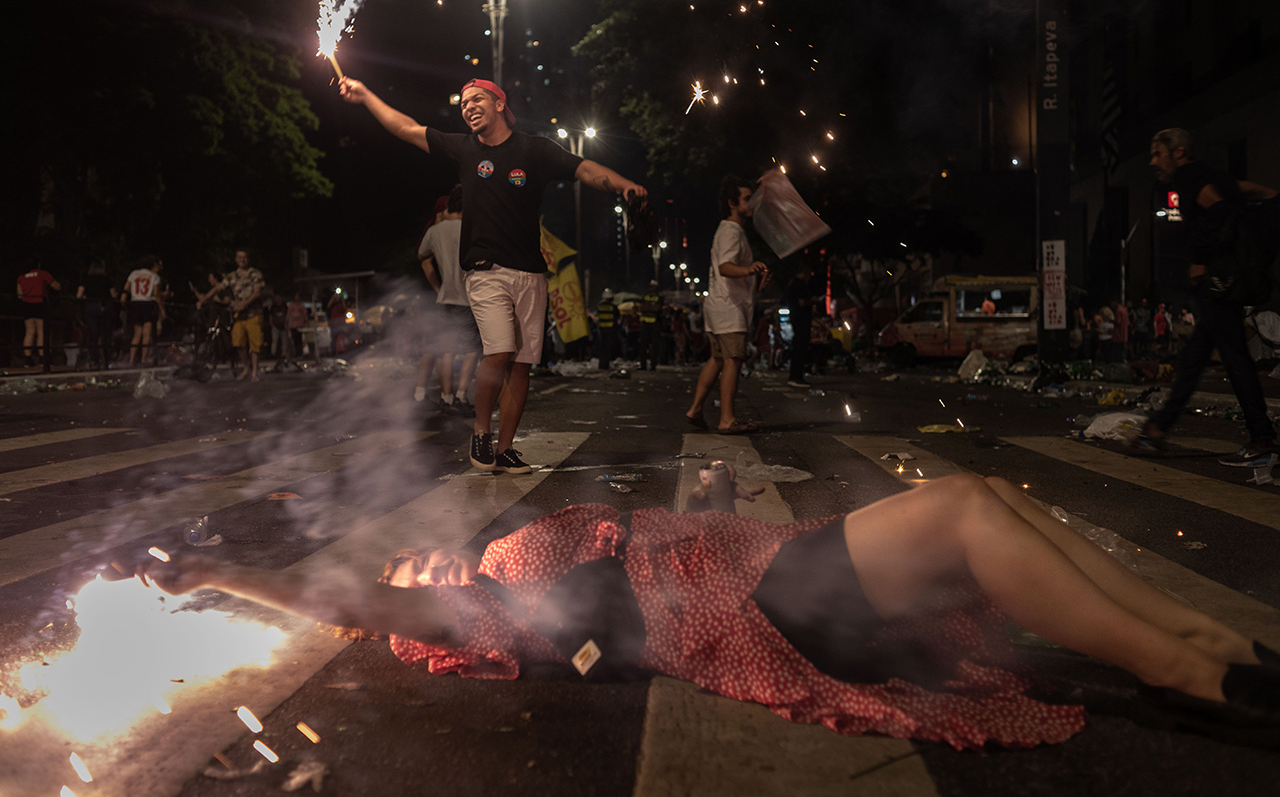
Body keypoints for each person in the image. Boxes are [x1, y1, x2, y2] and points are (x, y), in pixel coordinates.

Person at [136, 472, 1280, 750]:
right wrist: (221, 577)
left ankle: (1208, 641)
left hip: (777, 568)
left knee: (991, 499)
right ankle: (1185, 669)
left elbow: (657, 543)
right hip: (778, 606)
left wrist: (704, 506)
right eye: (408, 573)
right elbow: (341, 594)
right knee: (969, 510)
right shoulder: (481, 602)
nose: (415, 554)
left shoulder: (526, 555)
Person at [340, 76, 647, 474]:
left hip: (531, 273)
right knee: (499, 352)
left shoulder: (535, 150)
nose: (468, 106)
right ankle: (481, 431)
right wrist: (366, 95)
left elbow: (584, 168)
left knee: (521, 365)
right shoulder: (464, 149)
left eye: (477, 99)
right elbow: (407, 129)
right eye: (464, 102)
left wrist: (625, 187)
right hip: (485, 272)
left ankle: (505, 449)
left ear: (500, 103)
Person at [1137, 128, 1279, 466]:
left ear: (1180, 151)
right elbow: (1256, 191)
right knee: (1197, 358)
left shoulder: (1187, 176)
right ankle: (1157, 429)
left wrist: (1200, 259)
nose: (1153, 162)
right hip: (1223, 282)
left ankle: (1262, 439)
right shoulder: (1211, 175)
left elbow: (1217, 209)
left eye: (1158, 153)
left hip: (1216, 282)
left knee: (1233, 357)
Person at [685, 175, 770, 433]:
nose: (752, 203)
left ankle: (696, 409)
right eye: (747, 198)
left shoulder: (729, 230)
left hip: (720, 305)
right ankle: (727, 419)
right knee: (733, 359)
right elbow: (725, 267)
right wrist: (748, 270)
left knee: (718, 359)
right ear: (733, 203)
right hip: (728, 307)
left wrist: (754, 276)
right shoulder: (732, 231)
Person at [417, 185, 479, 415]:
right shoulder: (471, 229)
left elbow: (422, 256)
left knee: (446, 350)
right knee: (473, 350)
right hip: (468, 298)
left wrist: (437, 286)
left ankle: (446, 397)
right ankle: (461, 395)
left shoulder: (435, 231)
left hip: (445, 299)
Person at [202, 250, 265, 382]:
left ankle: (254, 372)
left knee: (255, 344)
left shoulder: (255, 274)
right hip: (239, 316)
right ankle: (246, 367)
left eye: (245, 257)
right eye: (240, 257)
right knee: (238, 342)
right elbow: (218, 287)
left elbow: (257, 292)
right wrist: (202, 300)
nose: (242, 260)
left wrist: (244, 304)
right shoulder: (232, 276)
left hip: (253, 314)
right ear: (236, 259)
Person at [16, 255, 61, 368]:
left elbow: (19, 294)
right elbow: (56, 286)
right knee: (41, 331)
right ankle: (43, 358)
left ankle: (27, 359)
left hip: (27, 305)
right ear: (38, 264)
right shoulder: (42, 274)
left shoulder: (21, 277)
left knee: (30, 331)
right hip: (40, 303)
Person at [76, 259, 115, 370]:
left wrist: (85, 298)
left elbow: (79, 295)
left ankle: (94, 360)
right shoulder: (106, 279)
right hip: (105, 306)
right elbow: (113, 294)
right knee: (106, 335)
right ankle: (107, 360)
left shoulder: (86, 279)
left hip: (91, 306)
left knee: (93, 335)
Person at [122, 255, 162, 367]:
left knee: (136, 333)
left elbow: (127, 288)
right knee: (146, 333)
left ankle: (131, 359)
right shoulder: (154, 276)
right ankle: (143, 359)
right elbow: (155, 294)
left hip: (135, 303)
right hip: (147, 303)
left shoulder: (134, 274)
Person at [786, 262, 816, 387]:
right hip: (801, 319)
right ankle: (796, 376)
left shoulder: (792, 284)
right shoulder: (799, 285)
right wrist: (812, 301)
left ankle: (795, 376)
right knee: (800, 347)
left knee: (798, 346)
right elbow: (802, 302)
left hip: (797, 318)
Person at [638, 280, 663, 371]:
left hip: (655, 324)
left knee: (654, 346)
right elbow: (642, 308)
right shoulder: (646, 297)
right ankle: (643, 365)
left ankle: (653, 365)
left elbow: (656, 309)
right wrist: (651, 307)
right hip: (645, 324)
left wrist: (648, 307)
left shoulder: (659, 298)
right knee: (643, 345)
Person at [594, 288, 619, 371]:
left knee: (602, 348)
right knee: (608, 348)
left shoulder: (599, 306)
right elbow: (617, 319)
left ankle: (601, 365)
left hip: (601, 329)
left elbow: (598, 318)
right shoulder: (614, 307)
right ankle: (606, 365)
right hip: (610, 329)